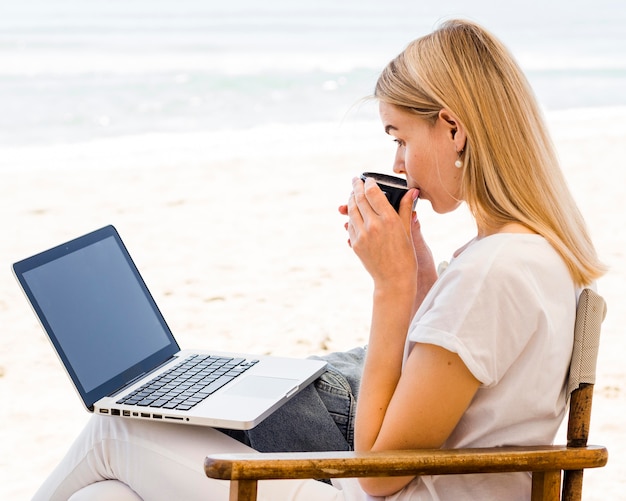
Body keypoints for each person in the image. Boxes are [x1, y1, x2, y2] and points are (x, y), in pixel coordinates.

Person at [32, 19, 605, 501]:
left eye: (400, 137)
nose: (399, 163)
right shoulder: (532, 252)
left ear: (452, 128)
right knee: (104, 495)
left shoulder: (490, 273)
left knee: (113, 432)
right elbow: (456, 395)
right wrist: (424, 272)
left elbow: (380, 472)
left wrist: (392, 287)